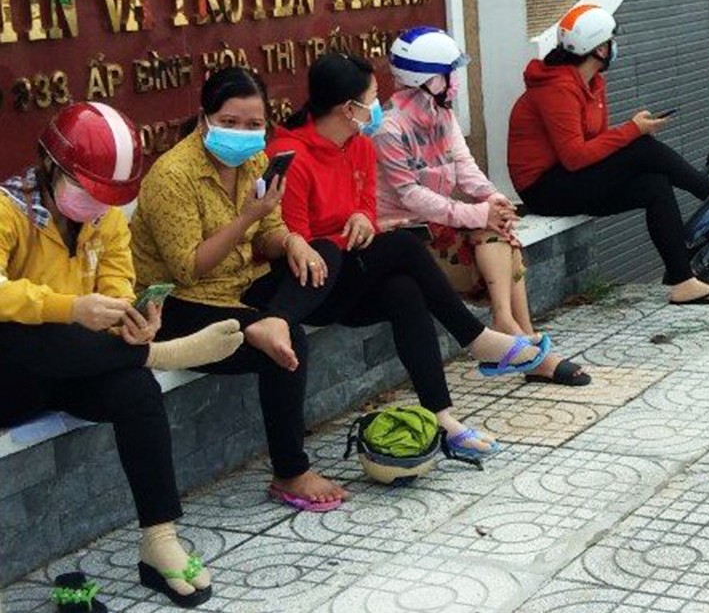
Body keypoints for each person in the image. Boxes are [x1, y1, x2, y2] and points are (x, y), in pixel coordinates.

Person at [0, 103, 244, 607]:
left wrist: (130, 318)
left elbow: (116, 278)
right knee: (25, 334)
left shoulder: (105, 218)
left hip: (79, 364)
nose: (98, 203)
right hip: (12, 376)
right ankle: (161, 353)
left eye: (108, 195)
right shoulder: (7, 210)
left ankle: (159, 539)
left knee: (136, 389)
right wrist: (71, 308)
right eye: (88, 187)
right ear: (49, 164)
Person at [267, 52, 555, 458]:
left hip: (352, 273)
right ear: (348, 108)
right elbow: (297, 242)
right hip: (313, 286)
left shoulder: (359, 145)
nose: (378, 106)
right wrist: (352, 232)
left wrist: (363, 220)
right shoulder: (291, 157)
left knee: (404, 291)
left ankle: (442, 417)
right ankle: (477, 339)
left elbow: (367, 208)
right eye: (372, 98)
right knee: (402, 246)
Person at [131, 66, 353, 513]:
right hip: (179, 304)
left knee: (325, 252)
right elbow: (188, 269)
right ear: (203, 120)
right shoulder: (172, 176)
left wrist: (291, 243)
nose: (242, 133)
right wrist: (249, 216)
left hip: (239, 286)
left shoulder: (254, 161)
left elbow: (268, 233)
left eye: (254, 125)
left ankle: (274, 319)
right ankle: (290, 472)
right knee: (287, 347)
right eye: (229, 122)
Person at [508, 4, 709, 305]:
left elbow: (597, 143)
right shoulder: (558, 88)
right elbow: (574, 156)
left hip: (569, 177)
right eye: (611, 41)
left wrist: (631, 131)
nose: (615, 46)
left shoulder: (592, 83)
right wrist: (632, 131)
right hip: (543, 188)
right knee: (641, 146)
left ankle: (683, 281)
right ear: (600, 49)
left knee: (654, 184)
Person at [375, 27, 589, 387]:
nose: (454, 82)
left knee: (498, 229)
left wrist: (493, 199)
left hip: (440, 225)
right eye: (448, 74)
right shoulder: (389, 128)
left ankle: (513, 331)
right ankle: (521, 341)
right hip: (406, 235)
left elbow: (464, 167)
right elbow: (411, 195)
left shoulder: (441, 115)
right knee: (495, 237)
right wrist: (478, 213)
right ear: (427, 79)